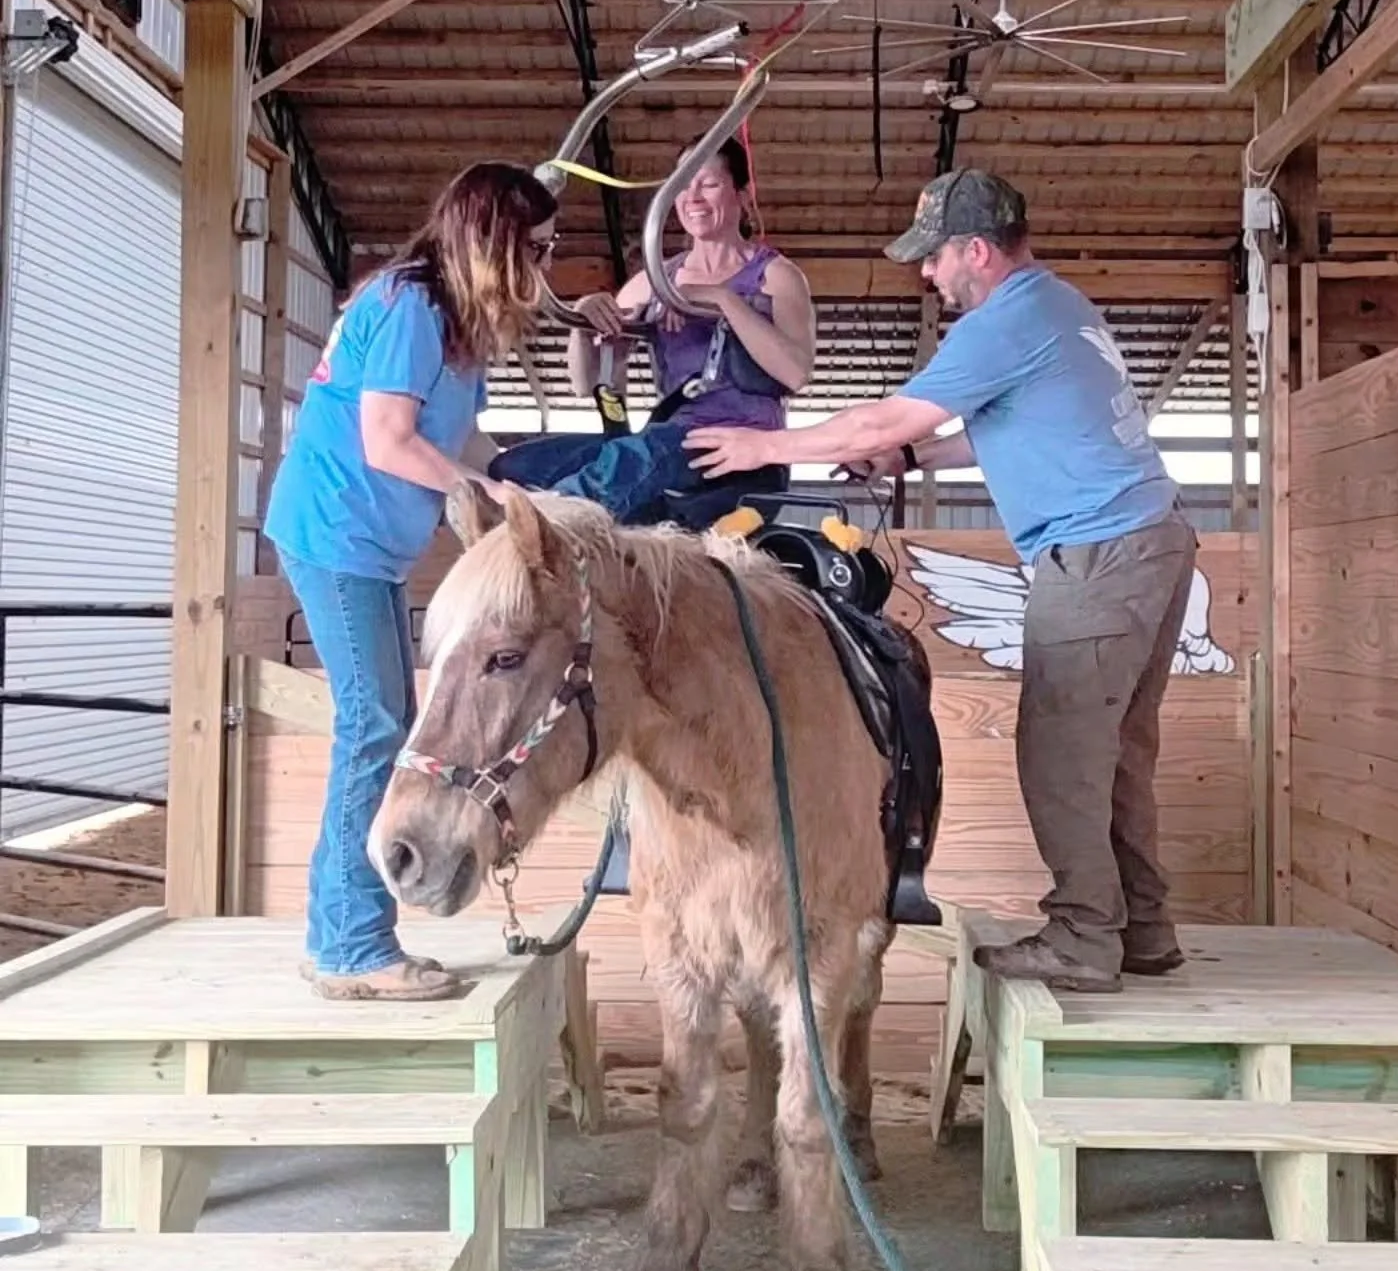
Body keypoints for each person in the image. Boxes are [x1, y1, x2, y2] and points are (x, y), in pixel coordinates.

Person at [685, 168, 1197, 995]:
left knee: (1062, 751)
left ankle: (1082, 938)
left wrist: (762, 449)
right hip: (1152, 542)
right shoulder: (1057, 305)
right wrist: (916, 455)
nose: (927, 274)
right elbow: (1003, 428)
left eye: (935, 258)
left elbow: (884, 418)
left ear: (978, 252)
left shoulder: (1001, 322)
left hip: (1098, 553)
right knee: (1117, 755)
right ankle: (1141, 927)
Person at [262, 161, 559, 1001]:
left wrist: (520, 482)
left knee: (380, 724)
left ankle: (336, 936)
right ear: (493, 241)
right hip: (336, 534)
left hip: (369, 547)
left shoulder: (455, 321)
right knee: (375, 724)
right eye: (533, 245)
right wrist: (487, 493)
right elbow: (388, 440)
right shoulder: (409, 304)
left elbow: (457, 440)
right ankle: (355, 945)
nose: (542, 261)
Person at [489, 136, 815, 526]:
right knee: (518, 465)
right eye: (682, 184)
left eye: (708, 184)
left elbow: (796, 372)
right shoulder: (656, 281)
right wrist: (585, 319)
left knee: (647, 453)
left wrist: (722, 299)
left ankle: (555, 522)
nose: (692, 196)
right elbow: (584, 381)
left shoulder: (776, 276)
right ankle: (519, 518)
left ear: (743, 195)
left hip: (743, 452)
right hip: (671, 443)